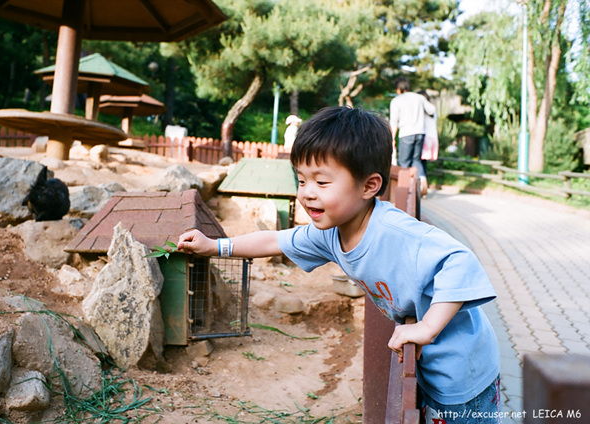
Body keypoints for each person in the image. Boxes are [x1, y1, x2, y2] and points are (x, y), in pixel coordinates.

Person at [178, 106, 501, 424]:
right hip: (431, 360)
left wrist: (426, 327)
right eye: (302, 180)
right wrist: (214, 246)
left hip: (462, 366)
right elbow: (274, 241)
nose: (306, 194)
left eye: (322, 182)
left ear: (369, 186)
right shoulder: (331, 232)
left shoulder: (394, 232)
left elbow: (459, 261)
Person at [390, 77, 436, 196]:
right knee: (416, 160)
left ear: (399, 89)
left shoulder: (396, 100)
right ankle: (422, 181)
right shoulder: (419, 98)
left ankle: (405, 191)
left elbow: (394, 122)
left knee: (404, 162)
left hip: (406, 133)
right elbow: (432, 110)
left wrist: (391, 138)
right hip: (420, 133)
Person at [418, 90, 439, 194]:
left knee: (418, 161)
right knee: (423, 162)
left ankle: (423, 185)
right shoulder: (432, 110)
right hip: (433, 138)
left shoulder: (422, 110)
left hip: (424, 138)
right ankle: (424, 183)